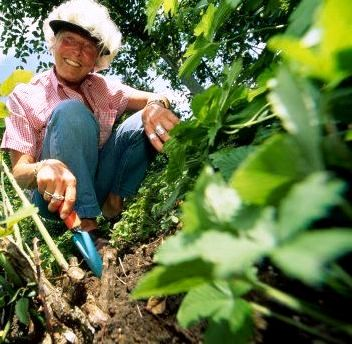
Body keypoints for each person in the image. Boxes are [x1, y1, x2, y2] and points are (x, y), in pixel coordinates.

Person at [1, 0, 179, 236]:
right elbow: (20, 174)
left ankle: (113, 204)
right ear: (54, 44)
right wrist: (44, 167)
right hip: (56, 193)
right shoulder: (25, 96)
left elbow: (155, 97)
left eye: (88, 47)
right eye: (69, 40)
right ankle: (87, 228)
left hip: (99, 181)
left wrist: (156, 106)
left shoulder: (102, 88)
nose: (77, 52)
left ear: (96, 61)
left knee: (143, 121)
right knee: (70, 111)